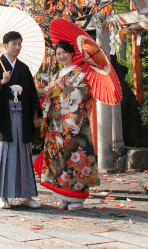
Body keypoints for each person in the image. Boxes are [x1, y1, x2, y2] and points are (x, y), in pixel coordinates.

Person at [0, 31, 42, 209]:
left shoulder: (23, 68)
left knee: (24, 155)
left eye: (19, 43)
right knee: (4, 156)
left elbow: (31, 93)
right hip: (5, 119)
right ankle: (3, 196)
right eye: (14, 44)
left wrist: (35, 115)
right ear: (5, 46)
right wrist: (0, 82)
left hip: (22, 118)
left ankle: (27, 195)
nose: (17, 47)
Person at [39, 40, 99, 210]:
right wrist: (49, 94)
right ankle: (62, 195)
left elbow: (83, 95)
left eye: (65, 52)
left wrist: (65, 86)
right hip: (57, 124)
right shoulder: (57, 74)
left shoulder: (80, 73)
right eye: (58, 54)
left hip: (75, 124)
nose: (61, 56)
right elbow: (49, 100)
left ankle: (77, 198)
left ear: (72, 53)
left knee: (76, 159)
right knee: (59, 159)